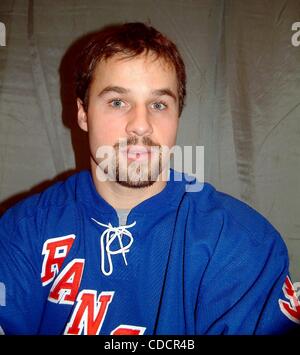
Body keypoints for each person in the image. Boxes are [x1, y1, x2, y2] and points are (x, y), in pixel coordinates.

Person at [0, 22, 299, 335]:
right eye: (118, 102)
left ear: (177, 117)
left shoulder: (239, 243)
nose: (140, 125)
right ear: (83, 113)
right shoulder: (25, 230)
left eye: (158, 104)